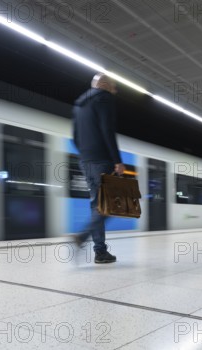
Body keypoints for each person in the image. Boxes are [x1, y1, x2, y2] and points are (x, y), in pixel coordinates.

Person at [72, 73, 125, 264]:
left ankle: (100, 252)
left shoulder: (79, 104)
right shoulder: (104, 98)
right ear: (104, 85)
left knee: (97, 206)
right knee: (108, 205)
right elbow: (107, 130)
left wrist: (86, 156)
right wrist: (117, 160)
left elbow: (75, 136)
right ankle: (83, 236)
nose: (115, 91)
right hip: (102, 160)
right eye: (114, 87)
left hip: (86, 161)